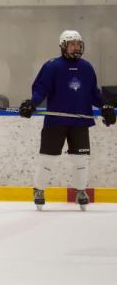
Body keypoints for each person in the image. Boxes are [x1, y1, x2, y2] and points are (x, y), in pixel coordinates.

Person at [19, 30, 115, 211]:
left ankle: (80, 191)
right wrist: (31, 103)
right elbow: (40, 90)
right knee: (48, 159)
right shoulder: (52, 66)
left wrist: (105, 107)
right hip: (55, 121)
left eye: (78, 43)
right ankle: (39, 190)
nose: (76, 47)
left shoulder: (87, 67)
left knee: (81, 160)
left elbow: (94, 94)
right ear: (63, 45)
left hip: (80, 122)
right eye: (72, 43)